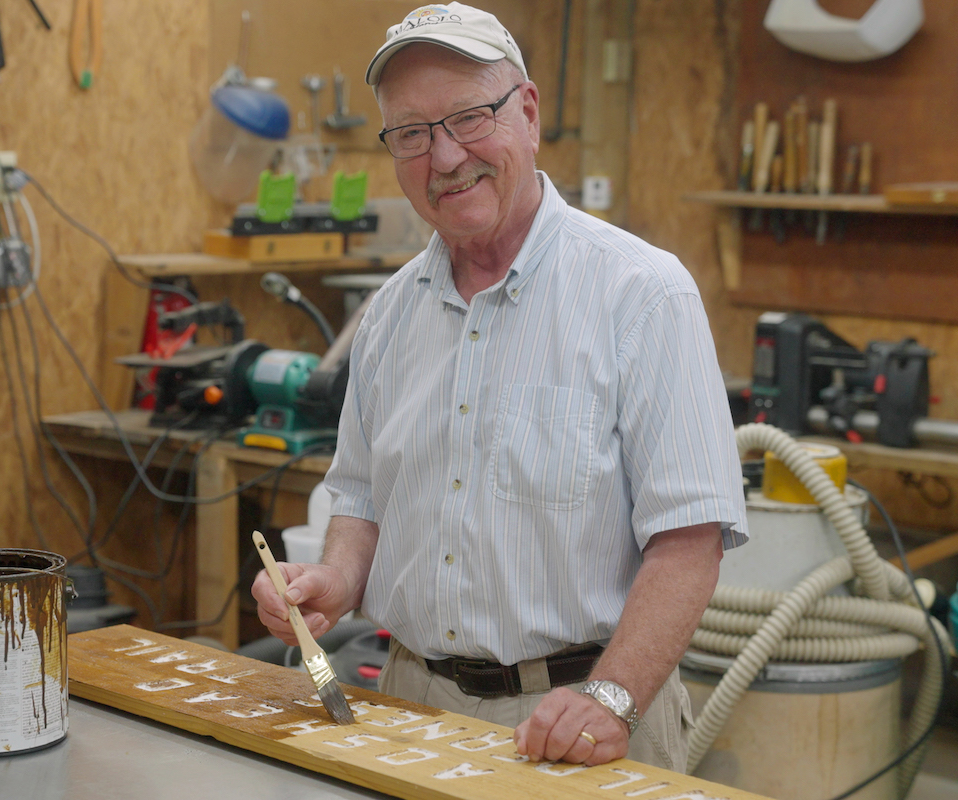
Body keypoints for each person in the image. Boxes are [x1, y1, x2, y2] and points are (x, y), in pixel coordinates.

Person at [252, 2, 746, 773]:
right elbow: (359, 497)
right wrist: (333, 580)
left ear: (528, 113)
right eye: (411, 133)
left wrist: (612, 697)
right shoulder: (386, 319)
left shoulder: (642, 295)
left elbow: (689, 542)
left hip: (584, 720)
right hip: (411, 704)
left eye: (469, 118)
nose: (445, 157)